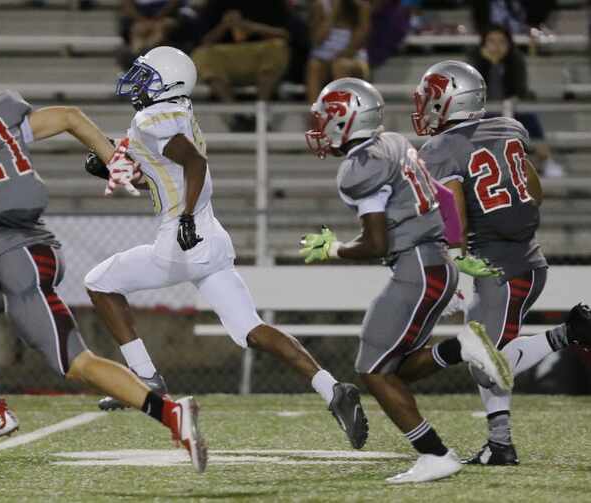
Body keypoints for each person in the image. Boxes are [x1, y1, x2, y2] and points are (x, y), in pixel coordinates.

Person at [0, 66, 208, 472]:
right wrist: (112, 158)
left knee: (77, 363)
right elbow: (70, 116)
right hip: (31, 254)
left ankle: (171, 414)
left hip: (21, 262)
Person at [83, 46, 370, 450]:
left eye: (147, 76)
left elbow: (194, 163)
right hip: (211, 237)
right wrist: (117, 165)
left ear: (168, 83)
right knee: (251, 330)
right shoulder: (175, 111)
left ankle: (145, 376)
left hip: (183, 239)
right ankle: (333, 388)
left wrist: (183, 218)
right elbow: (166, 170)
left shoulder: (152, 117)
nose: (138, 83)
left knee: (98, 282)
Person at [302, 77, 516, 483]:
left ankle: (435, 455)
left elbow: (376, 242)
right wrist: (455, 259)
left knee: (372, 370)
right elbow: (445, 200)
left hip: (415, 269)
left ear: (348, 119)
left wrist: (333, 249)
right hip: (434, 263)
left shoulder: (362, 166)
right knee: (394, 368)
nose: (321, 127)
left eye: (327, 117)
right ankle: (460, 348)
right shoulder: (396, 143)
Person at [412, 60, 591, 465]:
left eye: (431, 99)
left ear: (450, 100)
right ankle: (499, 445)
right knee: (490, 353)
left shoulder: (441, 148)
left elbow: (452, 211)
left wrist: (454, 263)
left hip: (498, 267)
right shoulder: (508, 128)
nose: (425, 107)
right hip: (525, 259)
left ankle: (570, 332)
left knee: (484, 361)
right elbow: (534, 190)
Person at [468, 25, 564, 177]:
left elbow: (519, 91)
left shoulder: (515, 59)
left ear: (508, 44)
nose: (496, 46)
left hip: (510, 109)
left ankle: (546, 161)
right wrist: (489, 65)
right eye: (491, 41)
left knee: (529, 119)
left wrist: (499, 66)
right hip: (482, 112)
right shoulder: (475, 60)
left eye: (501, 42)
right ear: (484, 44)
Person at [192, 1, 291, 131]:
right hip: (227, 58)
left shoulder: (273, 4)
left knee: (278, 47)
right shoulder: (214, 5)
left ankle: (261, 113)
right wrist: (224, 26)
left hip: (260, 54)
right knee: (202, 54)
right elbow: (204, 41)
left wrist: (252, 27)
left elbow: (285, 35)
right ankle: (235, 115)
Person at [306, 0, 371, 105]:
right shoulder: (321, 5)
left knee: (341, 65)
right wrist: (332, 15)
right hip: (325, 58)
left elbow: (359, 40)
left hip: (353, 59)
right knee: (313, 66)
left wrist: (340, 55)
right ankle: (315, 113)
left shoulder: (361, 6)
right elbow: (317, 40)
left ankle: (341, 113)